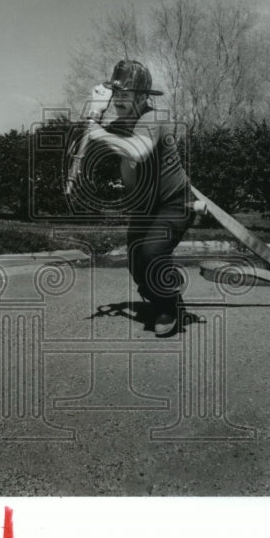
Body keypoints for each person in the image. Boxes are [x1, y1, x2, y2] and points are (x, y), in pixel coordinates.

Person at [83, 59, 195, 337]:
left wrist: (96, 130)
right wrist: (94, 112)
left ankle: (170, 308)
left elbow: (137, 151)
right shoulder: (121, 123)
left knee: (152, 253)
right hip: (146, 206)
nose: (119, 101)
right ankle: (163, 295)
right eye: (115, 95)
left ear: (143, 97)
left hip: (175, 203)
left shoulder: (155, 118)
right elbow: (85, 140)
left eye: (126, 95)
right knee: (136, 261)